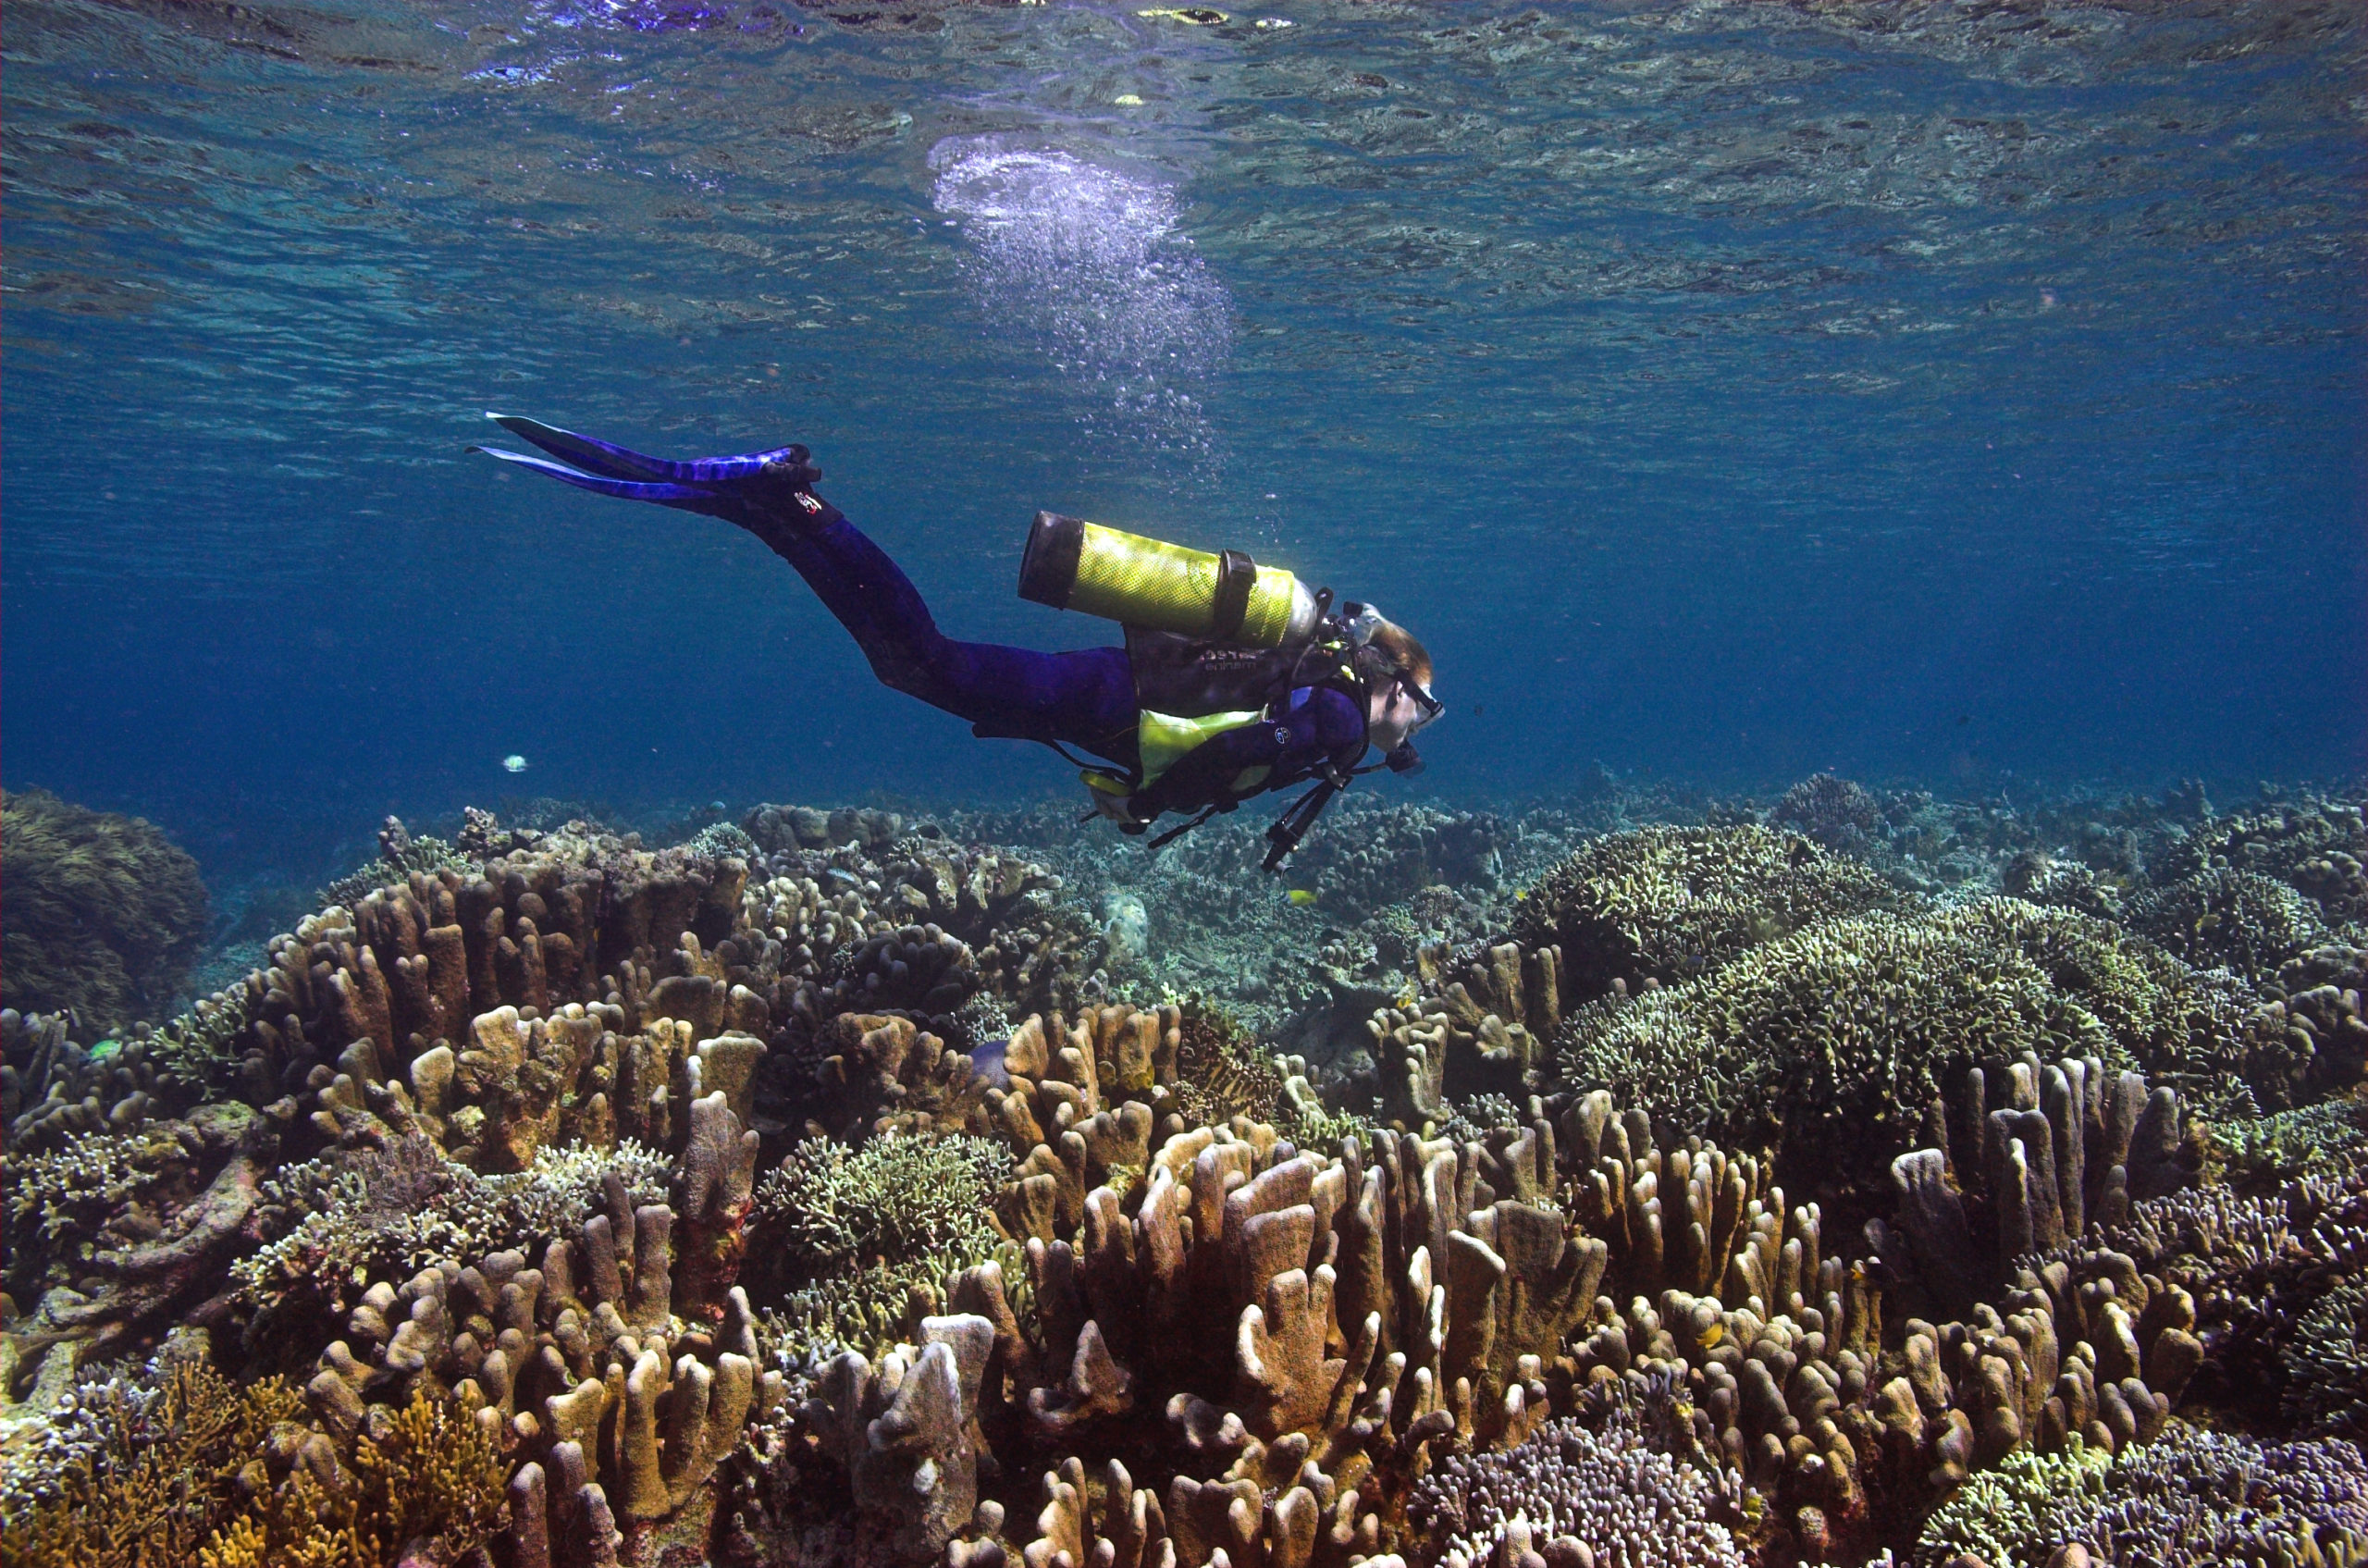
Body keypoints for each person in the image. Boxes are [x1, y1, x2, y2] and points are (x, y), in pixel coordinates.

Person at [472, 416, 1442, 870]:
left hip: (1116, 700)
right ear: (1395, 679)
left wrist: (1146, 791)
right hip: (1111, 704)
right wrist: (1144, 799)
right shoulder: (1334, 715)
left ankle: (777, 517)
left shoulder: (1335, 711)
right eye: (1423, 707)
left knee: (913, 666)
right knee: (923, 661)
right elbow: (1236, 749)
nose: (1416, 732)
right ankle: (799, 503)